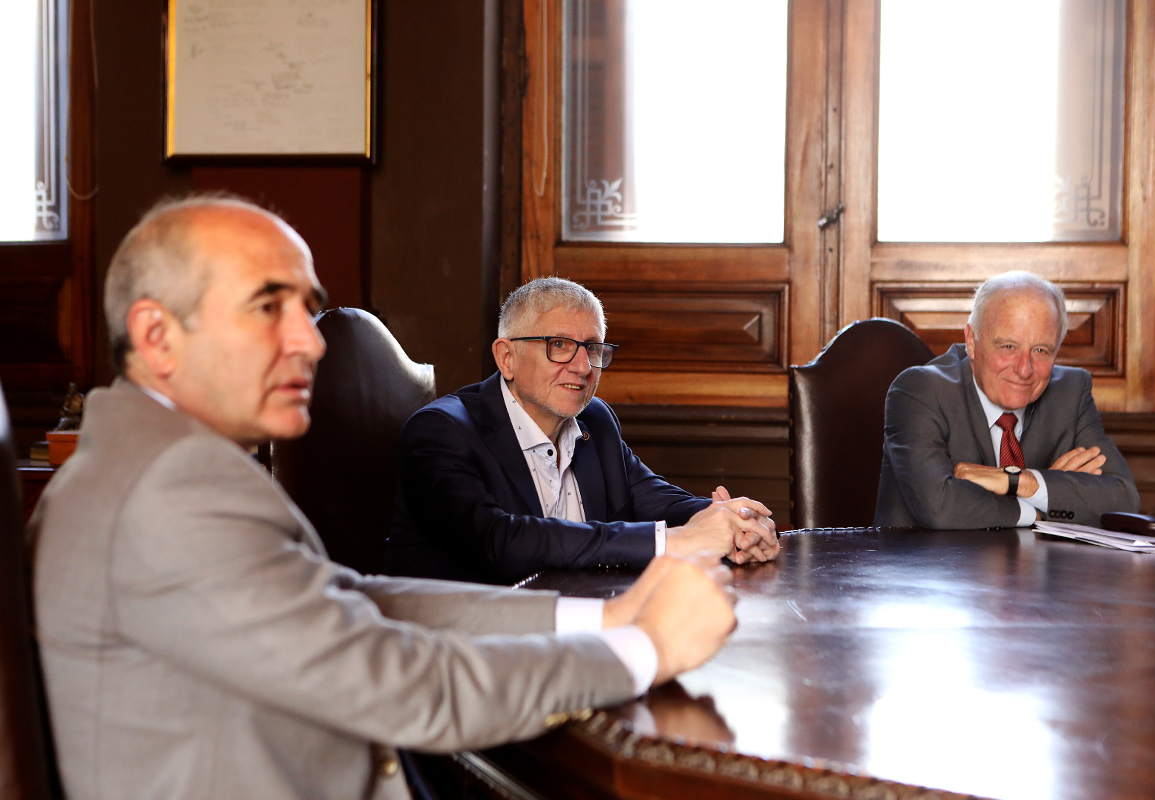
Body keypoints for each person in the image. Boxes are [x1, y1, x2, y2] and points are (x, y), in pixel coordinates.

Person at [28, 196, 738, 800]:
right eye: (267, 306)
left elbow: (358, 600)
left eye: (308, 309)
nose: (310, 342)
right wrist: (644, 649)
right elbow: (403, 684)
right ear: (157, 336)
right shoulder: (170, 490)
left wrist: (597, 617)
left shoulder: (156, 463)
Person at [388, 277, 781, 585]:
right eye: (559, 345)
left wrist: (733, 521)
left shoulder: (595, 419)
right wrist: (673, 541)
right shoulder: (440, 431)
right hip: (465, 645)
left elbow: (656, 499)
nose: (582, 367)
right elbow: (499, 541)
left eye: (592, 348)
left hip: (583, 626)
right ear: (507, 357)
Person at [873, 270, 1138, 529]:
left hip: (1036, 560)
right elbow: (940, 508)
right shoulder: (920, 391)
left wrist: (1024, 482)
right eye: (1008, 347)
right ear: (972, 342)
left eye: (1041, 350)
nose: (1024, 369)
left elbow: (1124, 499)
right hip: (928, 559)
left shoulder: (1070, 392)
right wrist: (1040, 509)